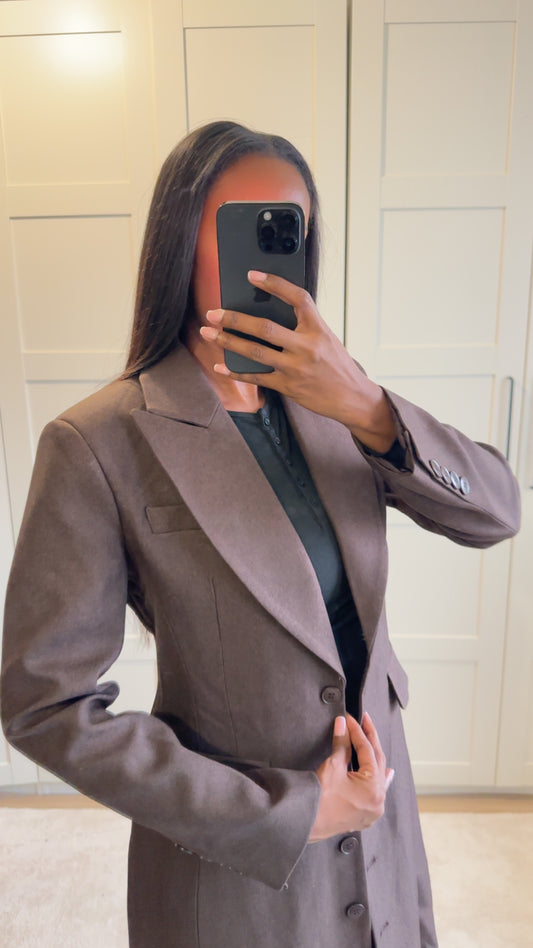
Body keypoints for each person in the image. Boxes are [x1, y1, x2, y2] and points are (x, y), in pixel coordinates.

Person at [1, 121, 520, 948]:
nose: (267, 257)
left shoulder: (340, 404)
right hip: (239, 873)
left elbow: (496, 513)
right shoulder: (98, 441)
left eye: (288, 231)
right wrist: (293, 812)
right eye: (243, 226)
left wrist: (367, 407)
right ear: (181, 244)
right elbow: (43, 703)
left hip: (384, 833)